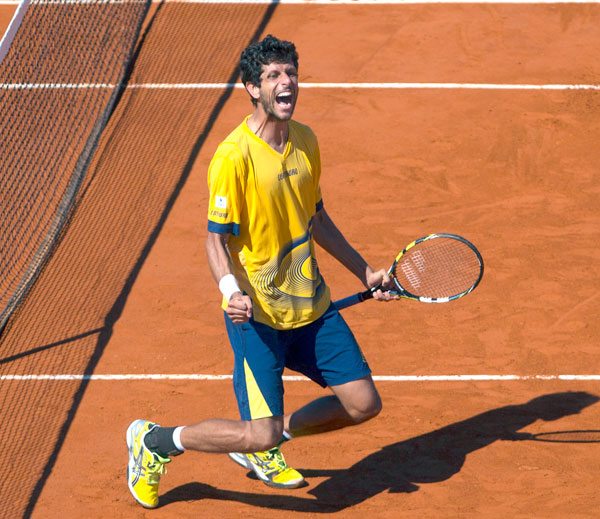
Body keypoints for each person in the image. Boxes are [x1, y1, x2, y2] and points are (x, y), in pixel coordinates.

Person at [126, 34, 395, 509]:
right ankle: (156, 441)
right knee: (257, 433)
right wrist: (230, 290)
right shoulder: (234, 157)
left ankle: (274, 439)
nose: (285, 81)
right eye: (272, 75)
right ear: (252, 88)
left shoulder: (306, 141)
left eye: (290, 72)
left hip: (311, 307)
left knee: (362, 404)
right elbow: (215, 239)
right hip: (259, 319)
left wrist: (365, 272)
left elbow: (316, 219)